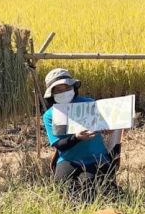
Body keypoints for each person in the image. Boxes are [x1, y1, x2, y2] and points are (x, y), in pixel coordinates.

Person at [42, 68, 120, 200]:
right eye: (58, 91)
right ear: (52, 94)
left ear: (73, 87)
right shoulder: (50, 115)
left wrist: (108, 129)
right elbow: (60, 145)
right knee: (62, 186)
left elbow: (104, 126)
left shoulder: (89, 104)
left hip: (96, 158)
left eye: (66, 88)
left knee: (88, 184)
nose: (63, 92)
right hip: (68, 159)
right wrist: (76, 138)